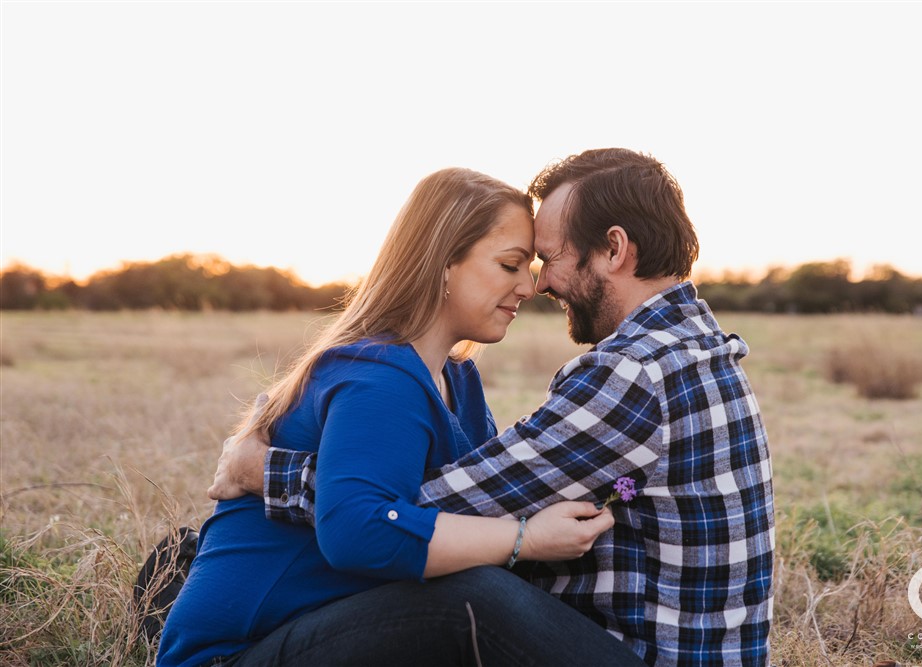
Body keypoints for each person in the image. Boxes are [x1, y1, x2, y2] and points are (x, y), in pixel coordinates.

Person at [210, 148, 776, 666]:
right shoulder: (697, 350)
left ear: (613, 249)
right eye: (517, 264)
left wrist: (264, 470)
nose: (541, 284)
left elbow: (420, 511)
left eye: (547, 258)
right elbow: (460, 508)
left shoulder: (635, 373)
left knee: (474, 599)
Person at [158, 167, 647, 667]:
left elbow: (470, 508)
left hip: (341, 624)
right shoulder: (378, 376)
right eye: (510, 264)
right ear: (443, 264)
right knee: (472, 600)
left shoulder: (459, 380)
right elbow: (359, 531)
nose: (529, 284)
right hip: (236, 655)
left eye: (532, 264)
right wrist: (526, 540)